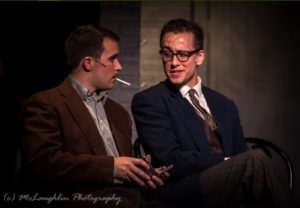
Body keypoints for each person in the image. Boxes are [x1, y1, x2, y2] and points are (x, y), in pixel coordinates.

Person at [132, 18, 298, 208]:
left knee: (254, 165)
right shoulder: (150, 100)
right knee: (256, 159)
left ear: (200, 57)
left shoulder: (224, 104)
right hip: (184, 188)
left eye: (183, 54)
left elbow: (240, 152)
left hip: (230, 184)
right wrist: (227, 162)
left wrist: (236, 164)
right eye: (167, 54)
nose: (174, 62)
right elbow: (170, 159)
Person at [20, 24, 175, 208]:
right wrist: (113, 168)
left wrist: (142, 173)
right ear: (89, 63)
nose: (119, 67)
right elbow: (46, 163)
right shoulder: (47, 103)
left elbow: (123, 169)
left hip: (131, 198)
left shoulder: (119, 113)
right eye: (113, 59)